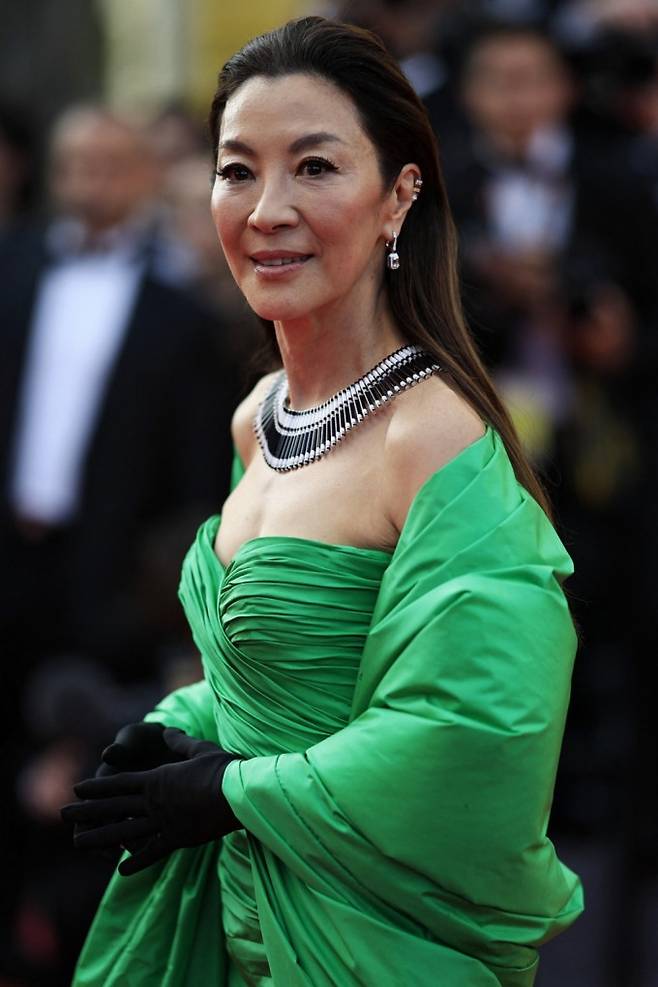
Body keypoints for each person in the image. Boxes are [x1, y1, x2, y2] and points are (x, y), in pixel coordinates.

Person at [60, 16, 583, 986]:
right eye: (237, 170)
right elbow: (280, 674)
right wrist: (179, 726)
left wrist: (228, 791)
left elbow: (475, 730)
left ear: (399, 196)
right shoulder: (256, 418)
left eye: (314, 167)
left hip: (372, 947)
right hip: (235, 926)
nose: (266, 210)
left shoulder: (434, 436)